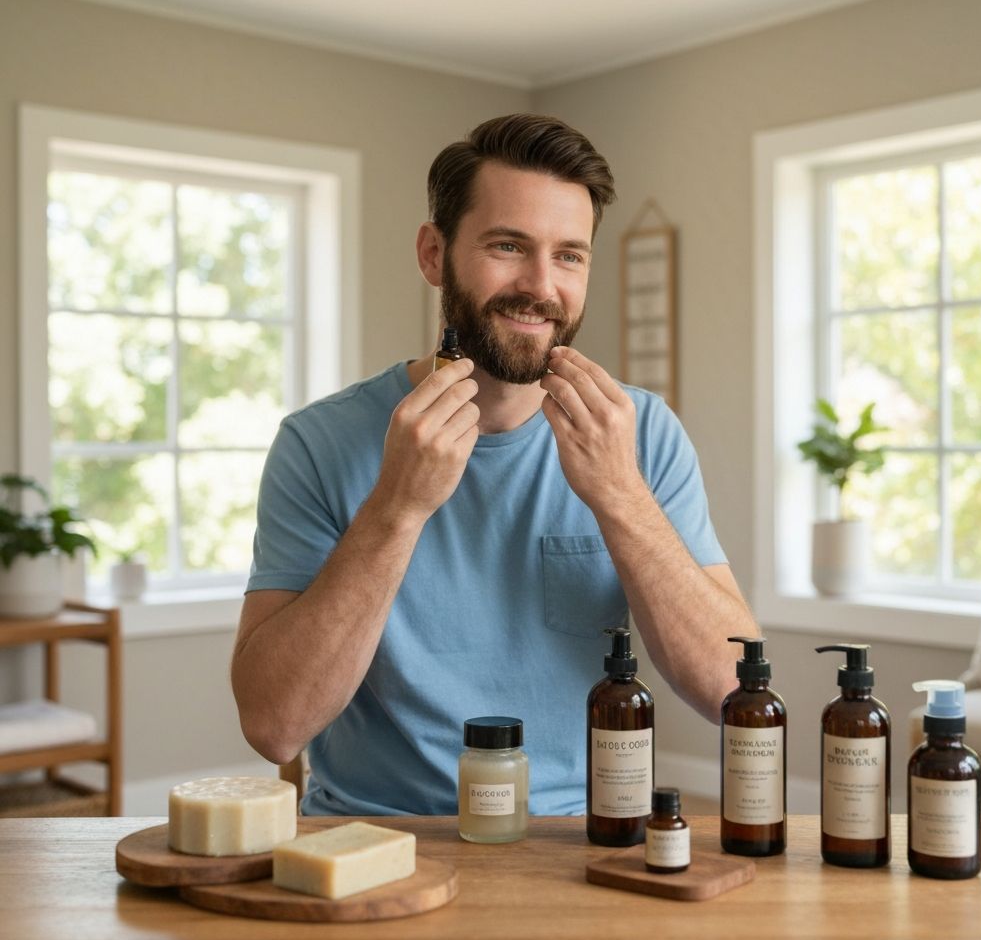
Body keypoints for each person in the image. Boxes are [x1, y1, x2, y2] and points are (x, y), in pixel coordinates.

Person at [231, 113, 759, 816]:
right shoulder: (319, 442)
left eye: (570, 255)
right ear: (432, 254)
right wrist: (397, 507)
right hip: (377, 838)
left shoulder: (642, 435)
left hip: (586, 839)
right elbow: (274, 726)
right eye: (509, 246)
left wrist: (621, 497)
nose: (541, 285)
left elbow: (738, 693)